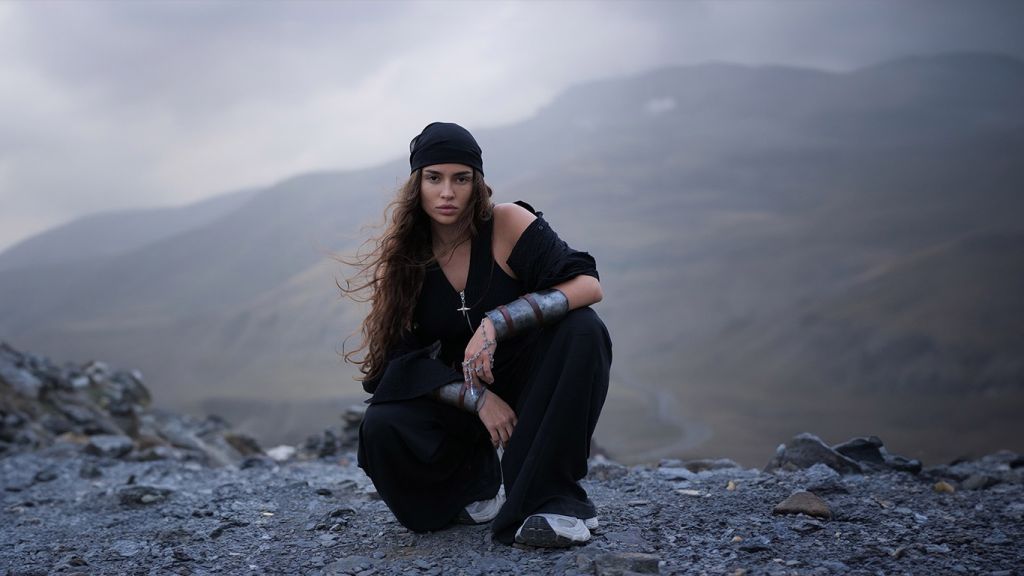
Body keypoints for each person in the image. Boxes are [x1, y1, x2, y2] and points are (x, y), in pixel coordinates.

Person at [342, 121, 611, 547]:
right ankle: (472, 488)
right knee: (383, 423)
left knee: (583, 329)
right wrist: (479, 399)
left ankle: (552, 501)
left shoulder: (507, 222)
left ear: (477, 183)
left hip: (534, 381)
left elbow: (587, 285)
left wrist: (496, 322)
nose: (447, 192)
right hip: (465, 397)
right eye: (434, 178)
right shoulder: (406, 258)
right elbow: (396, 366)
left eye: (461, 179)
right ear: (417, 185)